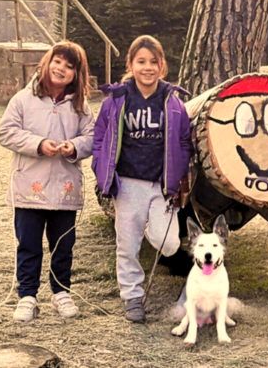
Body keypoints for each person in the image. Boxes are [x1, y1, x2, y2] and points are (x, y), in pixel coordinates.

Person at [92, 35, 192, 323]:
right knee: (127, 243)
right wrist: (101, 169)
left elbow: (184, 141)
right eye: (141, 62)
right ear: (131, 64)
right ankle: (132, 297)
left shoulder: (172, 101)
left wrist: (179, 174)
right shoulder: (118, 99)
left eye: (153, 62)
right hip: (128, 183)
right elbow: (100, 137)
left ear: (162, 66)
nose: (147, 68)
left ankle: (150, 225)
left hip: (161, 186)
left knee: (169, 242)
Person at [0, 41, 95, 322]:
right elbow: (6, 132)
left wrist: (72, 146)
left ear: (77, 74)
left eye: (69, 66)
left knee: (63, 244)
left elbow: (91, 138)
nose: (61, 69)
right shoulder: (23, 99)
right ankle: (27, 296)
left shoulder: (81, 106)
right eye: (58, 62)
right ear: (47, 62)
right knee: (28, 244)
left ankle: (61, 292)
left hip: (64, 189)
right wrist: (38, 144)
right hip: (29, 188)